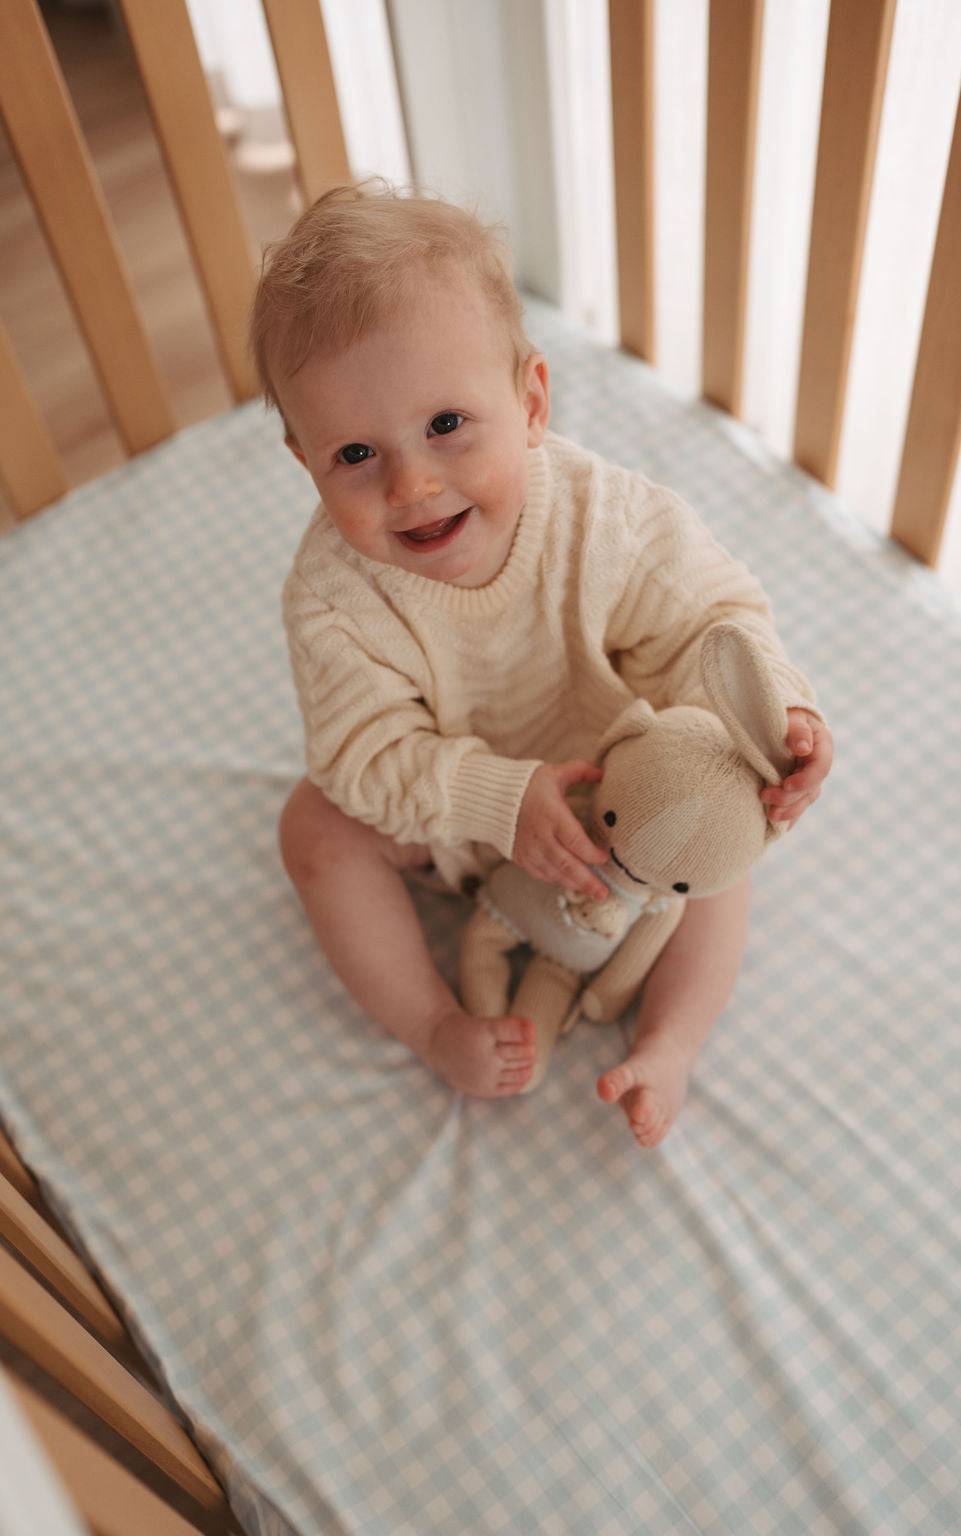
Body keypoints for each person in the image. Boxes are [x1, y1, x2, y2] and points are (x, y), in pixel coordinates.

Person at [252, 182, 833, 1148]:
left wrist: (781, 724)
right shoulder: (331, 595)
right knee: (313, 831)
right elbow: (359, 755)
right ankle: (435, 1021)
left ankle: (672, 1042)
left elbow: (713, 623)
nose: (411, 485)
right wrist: (491, 799)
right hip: (450, 812)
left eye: (446, 425)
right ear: (302, 459)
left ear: (529, 401)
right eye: (355, 453)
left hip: (630, 784)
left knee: (724, 832)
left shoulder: (605, 517)